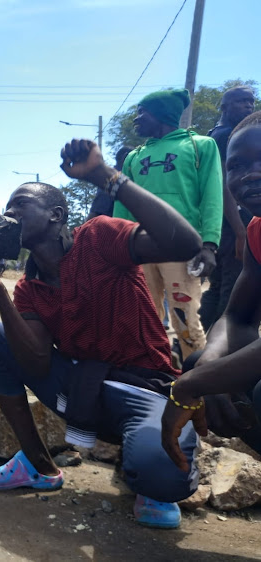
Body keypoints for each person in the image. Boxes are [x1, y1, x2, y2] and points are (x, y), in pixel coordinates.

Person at [0, 139, 202, 529]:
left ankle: (149, 466)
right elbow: (36, 361)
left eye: (21, 203)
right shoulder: (29, 287)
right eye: (8, 206)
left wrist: (106, 176)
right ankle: (37, 463)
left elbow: (185, 243)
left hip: (143, 389)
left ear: (56, 215)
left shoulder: (100, 237)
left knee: (160, 474)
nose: (9, 211)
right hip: (81, 391)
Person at [162, 110, 261, 470]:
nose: (249, 174)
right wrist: (206, 367)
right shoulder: (256, 232)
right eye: (236, 166)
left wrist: (192, 386)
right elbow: (239, 318)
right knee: (198, 363)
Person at [113, 88, 223, 363]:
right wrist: (117, 249)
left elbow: (212, 195)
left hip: (182, 250)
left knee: (185, 320)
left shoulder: (200, 145)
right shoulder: (133, 157)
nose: (136, 119)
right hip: (140, 249)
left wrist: (209, 244)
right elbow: (122, 207)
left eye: (142, 113)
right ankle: (154, 373)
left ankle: (197, 385)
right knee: (142, 318)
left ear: (161, 115)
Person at [199, 86, 257, 331]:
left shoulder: (212, 135)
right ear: (223, 106)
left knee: (217, 284)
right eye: (241, 101)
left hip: (214, 223)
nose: (248, 106)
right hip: (231, 222)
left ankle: (198, 341)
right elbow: (223, 183)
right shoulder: (227, 136)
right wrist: (241, 231)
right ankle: (220, 345)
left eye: (251, 102)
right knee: (232, 287)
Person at [86, 145, 133, 221]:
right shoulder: (114, 179)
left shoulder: (118, 177)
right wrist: (85, 230)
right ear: (125, 157)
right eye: (133, 157)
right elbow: (97, 211)